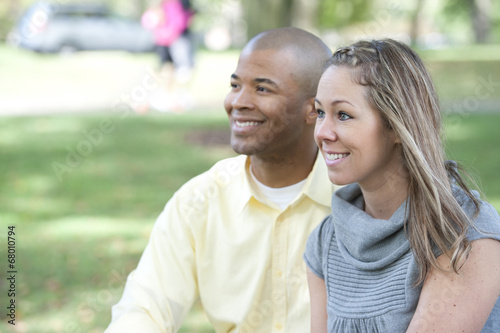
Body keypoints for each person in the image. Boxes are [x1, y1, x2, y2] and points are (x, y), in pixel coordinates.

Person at [105, 27, 336, 333]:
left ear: (313, 110)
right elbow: (146, 307)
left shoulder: (357, 196)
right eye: (235, 85)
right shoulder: (199, 200)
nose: (238, 102)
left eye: (263, 89)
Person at [304, 39, 500, 332]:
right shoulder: (325, 241)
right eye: (320, 113)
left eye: (343, 115)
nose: (322, 132)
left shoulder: (463, 231)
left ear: (397, 125)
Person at [141, 0, 195, 112]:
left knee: (183, 70)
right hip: (163, 40)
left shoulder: (180, 3)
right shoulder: (160, 4)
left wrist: (173, 33)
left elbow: (185, 18)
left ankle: (178, 98)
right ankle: (168, 98)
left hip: (177, 39)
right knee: (166, 68)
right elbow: (149, 20)